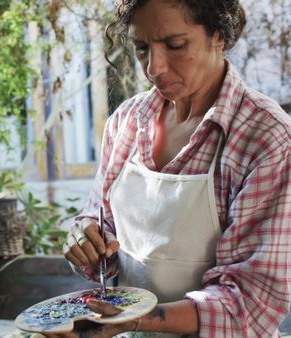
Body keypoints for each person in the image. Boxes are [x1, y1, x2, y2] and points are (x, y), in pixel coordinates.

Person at [62, 0, 291, 337]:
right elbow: (100, 223)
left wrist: (136, 319)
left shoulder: (265, 137)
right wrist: (87, 241)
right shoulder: (126, 122)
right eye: (141, 48)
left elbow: (252, 300)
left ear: (218, 36)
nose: (154, 67)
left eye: (175, 45)